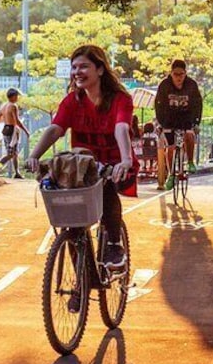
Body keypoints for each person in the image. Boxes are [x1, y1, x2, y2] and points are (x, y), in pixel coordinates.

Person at [25, 45, 137, 269]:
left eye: (84, 66)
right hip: (82, 166)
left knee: (107, 187)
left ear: (100, 70)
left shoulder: (119, 99)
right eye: (74, 67)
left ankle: (114, 243)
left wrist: (125, 160)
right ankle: (81, 281)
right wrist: (34, 155)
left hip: (115, 163)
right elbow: (55, 129)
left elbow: (121, 128)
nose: (77, 72)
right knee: (72, 222)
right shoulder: (72, 101)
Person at [155, 59, 203, 190]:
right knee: (170, 147)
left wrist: (196, 122)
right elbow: (158, 104)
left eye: (181, 74)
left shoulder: (191, 85)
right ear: (171, 73)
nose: (178, 78)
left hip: (186, 116)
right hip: (169, 118)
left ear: (185, 73)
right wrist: (160, 123)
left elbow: (198, 104)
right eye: (175, 74)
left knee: (189, 134)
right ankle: (171, 174)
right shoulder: (164, 85)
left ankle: (190, 161)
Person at [0, 88, 30, 179]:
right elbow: (17, 121)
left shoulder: (3, 106)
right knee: (11, 154)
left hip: (6, 131)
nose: (17, 97)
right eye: (17, 96)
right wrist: (26, 131)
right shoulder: (13, 106)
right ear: (13, 96)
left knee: (14, 153)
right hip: (12, 131)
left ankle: (17, 173)